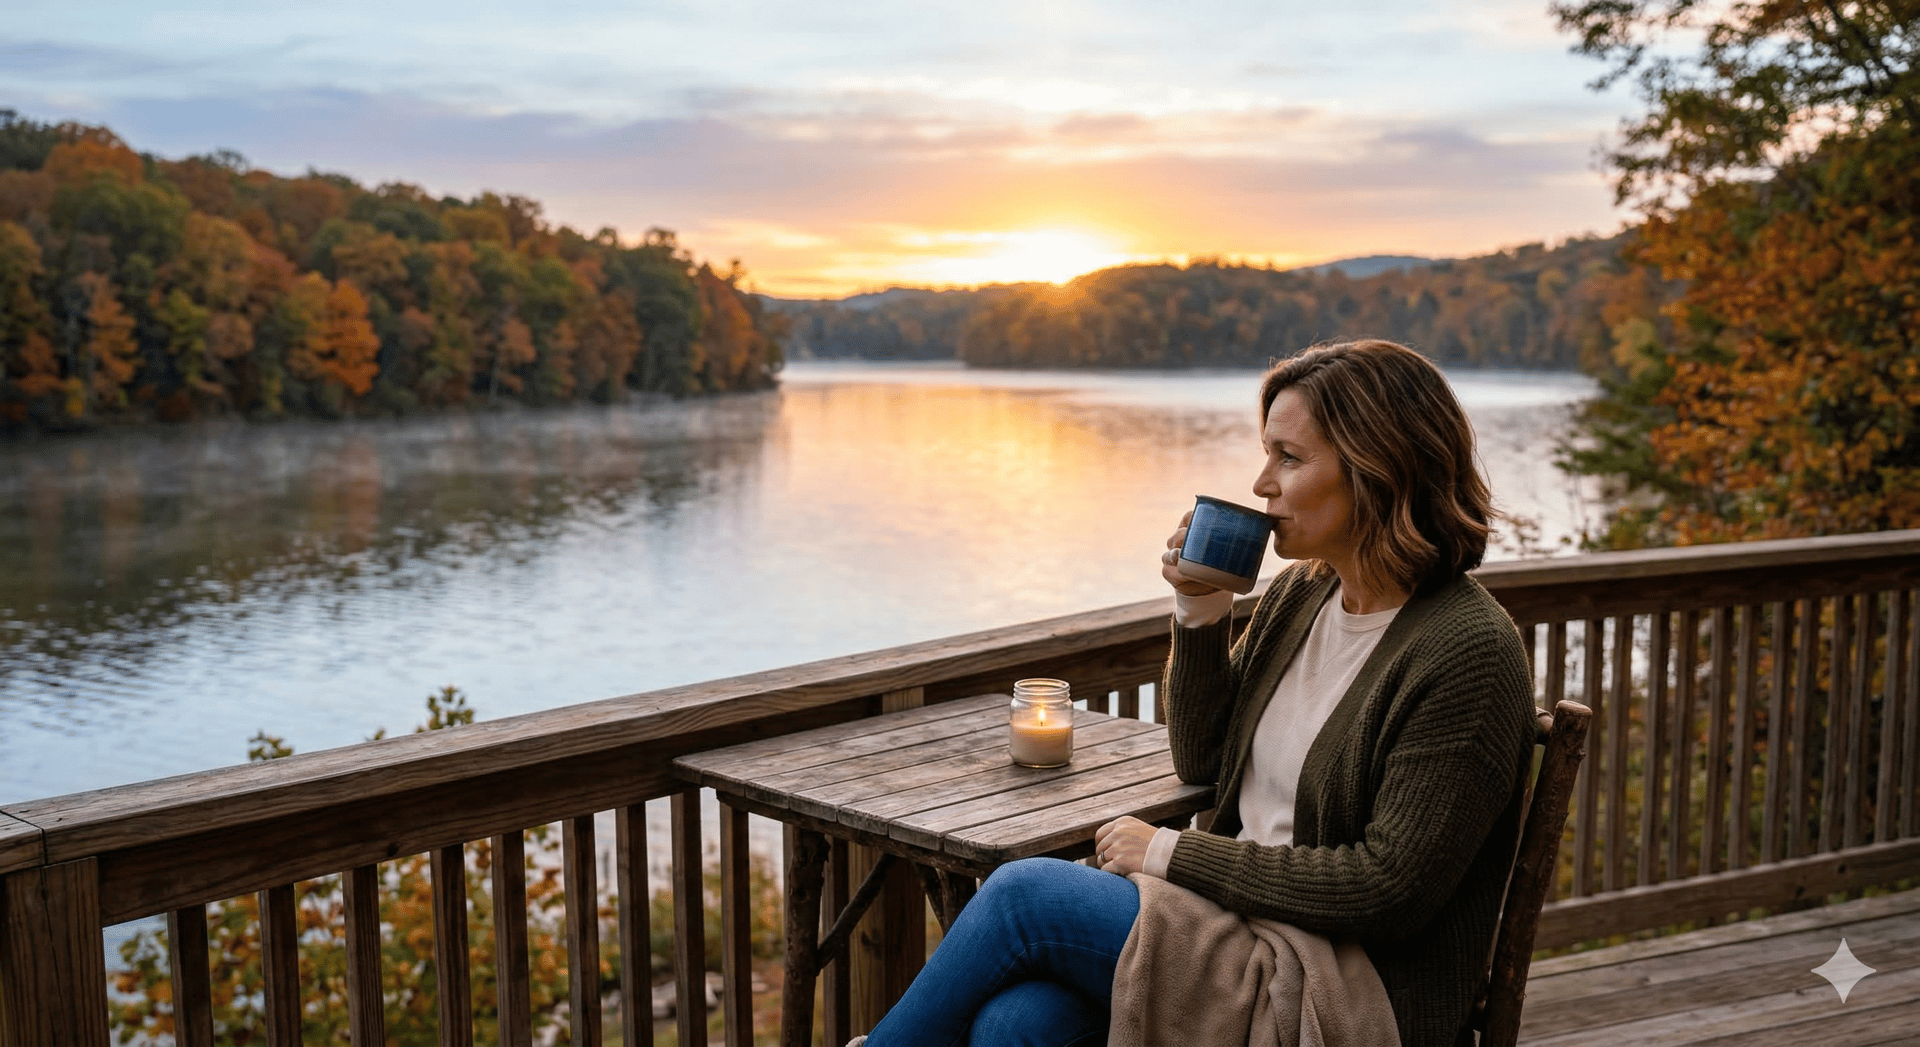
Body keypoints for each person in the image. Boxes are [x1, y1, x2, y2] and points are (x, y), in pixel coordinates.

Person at [858, 339, 1537, 1047]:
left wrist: (1171, 855)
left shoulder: (1467, 650)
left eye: (1289, 457)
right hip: (1235, 929)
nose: (1261, 483)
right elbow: (1203, 755)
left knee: (1024, 897)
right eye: (1266, 452)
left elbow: (1387, 889)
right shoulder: (1304, 596)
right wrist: (1201, 609)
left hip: (1346, 984)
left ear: (1379, 468)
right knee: (1017, 1023)